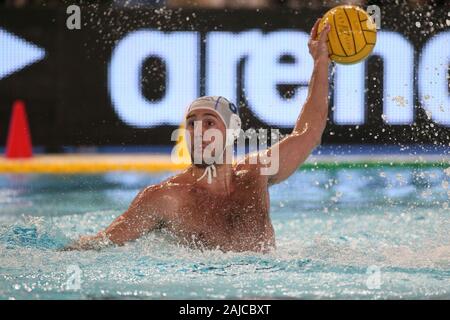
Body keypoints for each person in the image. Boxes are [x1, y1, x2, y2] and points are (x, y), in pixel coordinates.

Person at [64, 19, 331, 253]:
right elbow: (102, 243)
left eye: (209, 122)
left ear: (233, 131)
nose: (198, 131)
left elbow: (309, 132)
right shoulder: (166, 198)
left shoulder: (257, 173)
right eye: (191, 124)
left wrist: (321, 62)